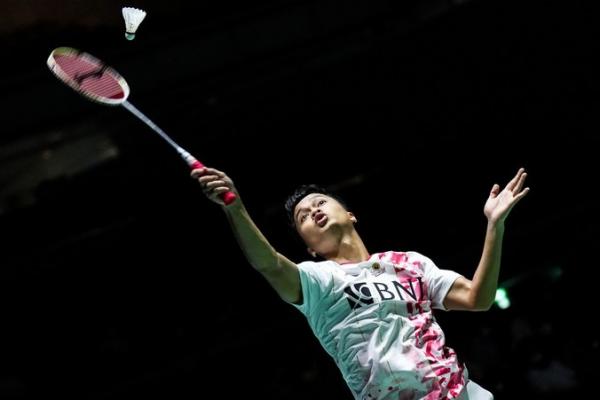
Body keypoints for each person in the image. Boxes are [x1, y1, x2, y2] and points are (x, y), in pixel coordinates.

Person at [191, 166, 529, 400]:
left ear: (350, 215)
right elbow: (269, 263)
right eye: (303, 216)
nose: (314, 211)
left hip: (462, 392)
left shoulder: (408, 263)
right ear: (310, 248)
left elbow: (477, 297)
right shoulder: (319, 281)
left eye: (320, 202)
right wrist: (235, 208)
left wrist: (494, 226)